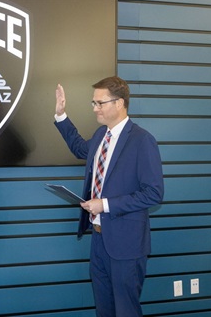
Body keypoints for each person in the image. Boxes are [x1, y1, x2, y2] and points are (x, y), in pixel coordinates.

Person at [54, 77, 164, 317]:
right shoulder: (100, 135)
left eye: (100, 103)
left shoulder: (142, 141)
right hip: (99, 241)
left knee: (126, 311)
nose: (95, 108)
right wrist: (61, 115)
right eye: (93, 103)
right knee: (104, 310)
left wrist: (104, 205)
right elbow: (80, 148)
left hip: (127, 244)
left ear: (120, 103)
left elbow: (154, 193)